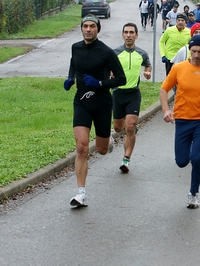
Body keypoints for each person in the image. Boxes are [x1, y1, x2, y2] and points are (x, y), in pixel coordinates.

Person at [64, 15, 126, 207]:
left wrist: (100, 83)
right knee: (82, 147)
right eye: (85, 26)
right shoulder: (75, 47)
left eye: (92, 26)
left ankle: (109, 141)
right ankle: (81, 193)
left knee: (101, 149)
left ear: (97, 29)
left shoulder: (106, 52)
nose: (88, 29)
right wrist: (71, 78)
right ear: (81, 29)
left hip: (101, 103)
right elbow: (74, 64)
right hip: (82, 101)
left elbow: (121, 79)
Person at [159, 35, 200, 209]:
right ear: (190, 50)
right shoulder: (179, 68)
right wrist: (166, 110)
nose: (196, 55)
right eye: (194, 51)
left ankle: (193, 193)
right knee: (181, 161)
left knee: (197, 159)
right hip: (182, 119)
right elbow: (164, 89)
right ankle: (190, 149)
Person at [113, 23, 152, 173]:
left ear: (136, 35)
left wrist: (147, 72)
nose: (129, 35)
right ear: (122, 35)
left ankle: (126, 159)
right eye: (126, 32)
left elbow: (148, 66)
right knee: (118, 127)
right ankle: (129, 133)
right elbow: (106, 67)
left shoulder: (141, 53)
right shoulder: (115, 52)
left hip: (133, 94)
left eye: (131, 32)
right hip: (118, 93)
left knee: (130, 127)